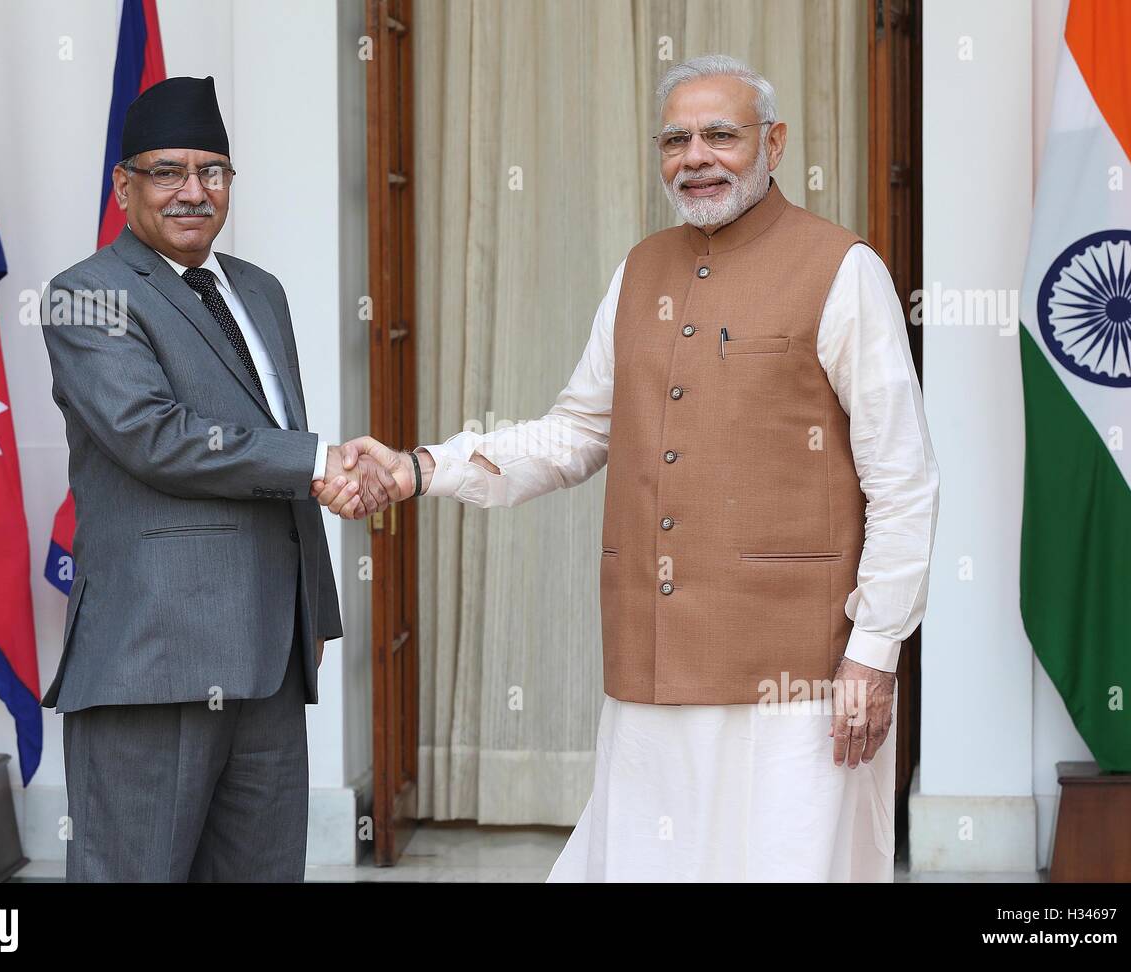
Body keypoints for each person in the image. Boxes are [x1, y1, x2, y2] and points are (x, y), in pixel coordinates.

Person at [316, 55, 939, 881]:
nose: (696, 156)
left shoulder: (843, 269)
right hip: (652, 659)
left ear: (774, 143)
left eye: (721, 134)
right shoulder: (640, 269)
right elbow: (576, 431)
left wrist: (876, 651)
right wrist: (424, 468)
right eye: (675, 139)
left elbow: (903, 478)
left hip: (801, 678)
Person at [39, 76, 386, 881]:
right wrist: (316, 462)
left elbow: (273, 449)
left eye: (213, 171)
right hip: (153, 660)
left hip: (268, 661)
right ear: (124, 186)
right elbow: (153, 436)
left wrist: (314, 617)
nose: (194, 192)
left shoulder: (261, 291)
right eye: (168, 172)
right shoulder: (83, 296)